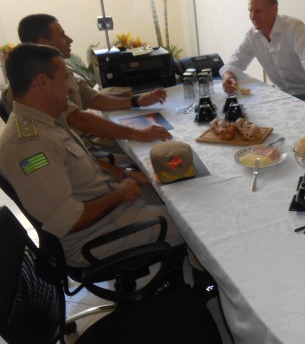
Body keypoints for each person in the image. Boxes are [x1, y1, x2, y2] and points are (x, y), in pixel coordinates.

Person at [0, 44, 183, 266]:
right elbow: (67, 221)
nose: (70, 88)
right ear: (42, 82)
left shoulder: (45, 120)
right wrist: (120, 194)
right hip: (95, 235)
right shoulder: (29, 145)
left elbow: (78, 170)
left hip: (109, 209)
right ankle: (195, 280)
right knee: (192, 222)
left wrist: (125, 175)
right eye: (64, 78)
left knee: (182, 194)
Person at [1, 14, 172, 145]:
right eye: (62, 36)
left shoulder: (60, 71)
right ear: (44, 43)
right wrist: (136, 134)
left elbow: (93, 99)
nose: (70, 40)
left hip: (86, 144)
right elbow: (78, 119)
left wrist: (137, 101)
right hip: (80, 152)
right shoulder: (30, 86)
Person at [219, 0, 305, 106]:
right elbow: (231, 65)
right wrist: (229, 79)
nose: (252, 16)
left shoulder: (294, 28)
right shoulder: (252, 36)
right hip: (282, 96)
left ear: (275, 9)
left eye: (258, 11)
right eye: (250, 11)